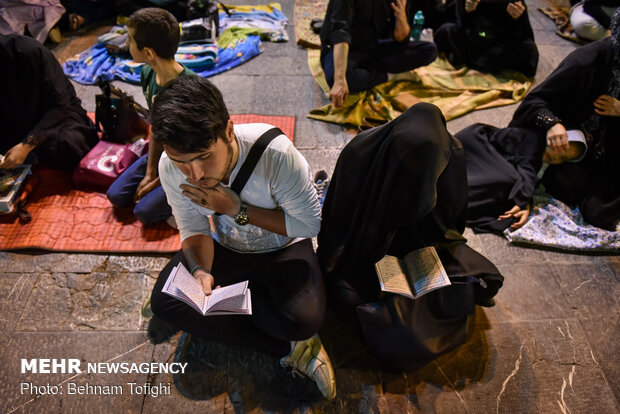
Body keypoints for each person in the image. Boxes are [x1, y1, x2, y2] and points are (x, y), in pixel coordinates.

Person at [148, 76, 336, 400]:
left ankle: (274, 327)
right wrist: (200, 271)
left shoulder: (277, 155)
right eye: (182, 163)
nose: (195, 175)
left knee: (305, 318)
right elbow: (192, 228)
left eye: (205, 156)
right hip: (225, 247)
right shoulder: (170, 166)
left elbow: (308, 226)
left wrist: (238, 210)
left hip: (283, 247)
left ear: (229, 131)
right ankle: (284, 345)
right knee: (166, 302)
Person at [317, 103, 503, 370]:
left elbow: (450, 227)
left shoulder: (451, 153)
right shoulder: (359, 153)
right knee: (349, 301)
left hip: (422, 243)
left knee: (484, 275)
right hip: (363, 253)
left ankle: (407, 313)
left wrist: (424, 255)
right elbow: (337, 233)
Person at [509, 8, 620, 230]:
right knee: (573, 190)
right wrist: (552, 123)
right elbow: (534, 103)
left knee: (600, 208)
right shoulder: (586, 61)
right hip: (580, 145)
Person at [106, 8, 195, 225]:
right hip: (163, 152)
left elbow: (194, 152)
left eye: (130, 40)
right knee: (116, 195)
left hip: (188, 164)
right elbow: (155, 127)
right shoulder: (147, 73)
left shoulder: (189, 91)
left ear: (148, 52)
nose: (126, 44)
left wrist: (157, 181)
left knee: (144, 212)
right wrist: (150, 172)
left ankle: (193, 203)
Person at [455, 124, 587, 233]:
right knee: (507, 180)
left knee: (508, 188)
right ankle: (453, 200)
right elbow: (527, 170)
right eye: (560, 147)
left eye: (563, 158)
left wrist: (524, 202)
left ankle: (455, 201)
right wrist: (522, 201)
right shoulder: (534, 139)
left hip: (489, 159)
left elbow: (529, 178)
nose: (557, 157)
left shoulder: (545, 164)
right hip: (477, 144)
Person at [0, 33, 97, 170]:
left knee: (67, 143)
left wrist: (26, 145)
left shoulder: (29, 51)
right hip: (15, 126)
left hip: (55, 120)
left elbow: (59, 106)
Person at [319, 0, 438, 108]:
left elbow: (401, 39)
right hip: (343, 49)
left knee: (428, 50)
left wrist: (401, 16)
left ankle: (366, 73)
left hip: (372, 46)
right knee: (337, 78)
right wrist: (340, 79)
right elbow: (340, 33)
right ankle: (389, 76)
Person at [434, 0, 539, 77]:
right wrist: (467, 11)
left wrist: (517, 18)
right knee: (446, 30)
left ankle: (479, 63)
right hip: (471, 41)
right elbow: (451, 19)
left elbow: (521, 34)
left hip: (499, 46)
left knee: (529, 49)